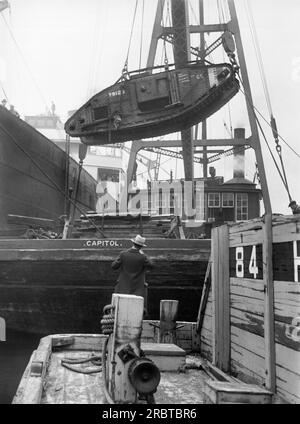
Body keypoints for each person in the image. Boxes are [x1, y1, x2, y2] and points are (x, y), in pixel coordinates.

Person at [111, 235, 153, 315]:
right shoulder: (143, 257)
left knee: (120, 312)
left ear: (133, 243)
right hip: (138, 290)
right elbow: (152, 266)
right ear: (141, 247)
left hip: (122, 288)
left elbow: (113, 266)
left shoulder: (123, 254)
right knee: (136, 313)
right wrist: (144, 255)